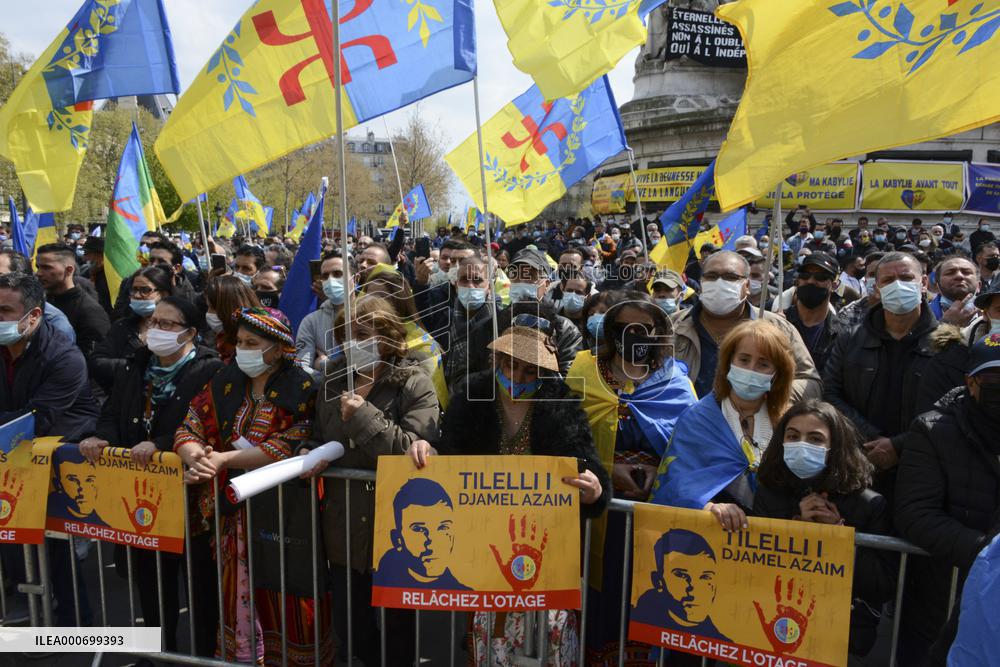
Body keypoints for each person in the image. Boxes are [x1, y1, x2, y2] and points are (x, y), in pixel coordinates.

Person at [430, 325, 609, 665]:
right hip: (484, 542)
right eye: (510, 364)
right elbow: (448, 454)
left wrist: (595, 489)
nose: (517, 375)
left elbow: (589, 465)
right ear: (497, 360)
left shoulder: (562, 404)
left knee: (550, 634)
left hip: (546, 544)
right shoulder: (472, 395)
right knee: (489, 633)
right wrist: (428, 449)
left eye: (530, 370)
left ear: (543, 373)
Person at [175, 307, 330, 666]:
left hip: (286, 516)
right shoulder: (225, 380)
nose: (241, 349)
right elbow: (191, 423)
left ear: (277, 348)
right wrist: (196, 455)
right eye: (239, 341)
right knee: (237, 596)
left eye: (252, 343)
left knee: (290, 599)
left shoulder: (304, 387)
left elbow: (293, 442)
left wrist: (224, 461)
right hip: (234, 521)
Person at [300, 294, 439, 667]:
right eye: (346, 334)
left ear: (389, 337)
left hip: (395, 528)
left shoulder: (414, 382)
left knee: (398, 627)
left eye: (363, 334)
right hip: (343, 525)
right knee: (352, 626)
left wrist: (364, 417)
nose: (352, 343)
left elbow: (412, 451)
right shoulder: (332, 377)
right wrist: (309, 452)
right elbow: (319, 433)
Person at [79, 297, 222, 656]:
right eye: (154, 322)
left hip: (191, 497)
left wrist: (158, 444)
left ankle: (204, 656)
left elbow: (205, 426)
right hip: (141, 494)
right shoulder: (134, 366)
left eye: (168, 324)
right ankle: (159, 654)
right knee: (151, 586)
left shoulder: (210, 370)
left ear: (190, 332)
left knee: (200, 587)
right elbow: (112, 412)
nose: (156, 329)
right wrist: (102, 438)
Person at [567, 293, 697, 663]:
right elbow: (565, 436)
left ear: (658, 332)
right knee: (602, 595)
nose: (634, 335)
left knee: (651, 592)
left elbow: (693, 444)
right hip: (598, 514)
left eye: (643, 328)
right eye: (624, 328)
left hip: (655, 513)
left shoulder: (675, 380)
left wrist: (659, 473)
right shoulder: (582, 371)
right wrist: (607, 471)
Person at [753, 400, 896, 657]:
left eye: (815, 439)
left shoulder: (869, 504)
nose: (802, 444)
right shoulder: (769, 493)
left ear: (835, 446)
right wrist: (798, 531)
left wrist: (838, 537)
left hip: (843, 634)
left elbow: (881, 585)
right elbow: (755, 569)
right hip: (775, 627)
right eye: (793, 436)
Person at [896, 333, 1000, 664]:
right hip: (942, 599)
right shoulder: (932, 431)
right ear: (971, 382)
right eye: (994, 379)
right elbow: (915, 513)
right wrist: (988, 554)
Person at [651, 320, 794, 535]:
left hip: (772, 546)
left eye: (763, 364)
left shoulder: (789, 424)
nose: (751, 370)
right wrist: (708, 506)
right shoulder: (697, 419)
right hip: (710, 541)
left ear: (778, 373)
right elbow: (675, 482)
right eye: (744, 360)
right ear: (728, 363)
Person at [823, 251, 938, 496]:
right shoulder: (850, 339)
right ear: (877, 287)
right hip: (859, 460)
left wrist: (898, 446)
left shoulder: (947, 344)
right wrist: (872, 439)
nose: (898, 285)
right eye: (888, 280)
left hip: (924, 467)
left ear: (924, 283)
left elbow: (948, 409)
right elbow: (831, 393)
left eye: (907, 278)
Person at [671, 250, 820, 400]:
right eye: (711, 277)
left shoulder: (777, 327)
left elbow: (810, 382)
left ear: (747, 285)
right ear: (701, 283)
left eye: (730, 277)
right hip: (688, 421)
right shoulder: (671, 326)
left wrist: (769, 395)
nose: (720, 283)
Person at [630, 529, 729, 641]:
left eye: (705, 577)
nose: (694, 588)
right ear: (658, 582)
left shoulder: (724, 645)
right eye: (682, 575)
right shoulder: (634, 622)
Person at [372, 479, 470, 590]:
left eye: (443, 527)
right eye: (419, 529)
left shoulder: (466, 597)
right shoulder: (381, 584)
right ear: (397, 540)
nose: (432, 541)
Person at [89, 266, 174, 392]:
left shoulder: (177, 327)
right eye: (134, 290)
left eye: (145, 290)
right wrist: (132, 367)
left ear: (164, 293)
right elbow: (98, 362)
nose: (138, 295)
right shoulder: (122, 326)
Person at [34, 243, 111, 357]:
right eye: (38, 267)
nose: (39, 273)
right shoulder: (41, 302)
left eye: (47, 267)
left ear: (69, 270)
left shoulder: (90, 311)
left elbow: (93, 360)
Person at [783, 252, 841, 372]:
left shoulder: (842, 334)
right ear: (798, 281)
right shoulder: (779, 322)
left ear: (834, 285)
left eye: (820, 277)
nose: (810, 281)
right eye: (805, 275)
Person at [296, 250, 349, 373]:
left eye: (337, 274)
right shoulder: (311, 322)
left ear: (355, 278)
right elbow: (302, 370)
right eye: (325, 276)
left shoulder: (370, 315)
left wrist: (326, 365)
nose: (331, 280)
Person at [203, 275, 261, 362]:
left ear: (230, 308)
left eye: (213, 308)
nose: (209, 313)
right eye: (208, 307)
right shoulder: (219, 338)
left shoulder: (250, 347)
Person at [928, 256, 979, 326]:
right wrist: (946, 323)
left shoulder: (994, 312)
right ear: (937, 286)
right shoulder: (921, 314)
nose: (959, 276)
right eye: (950, 273)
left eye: (966, 272)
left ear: (979, 285)